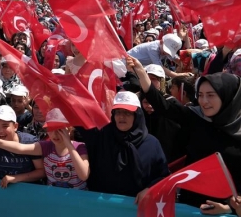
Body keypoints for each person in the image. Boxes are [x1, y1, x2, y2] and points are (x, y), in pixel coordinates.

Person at [130, 56, 241, 210]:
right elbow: (164, 106)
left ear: (228, 96)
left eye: (211, 95)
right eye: (200, 95)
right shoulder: (195, 117)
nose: (204, 101)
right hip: (190, 205)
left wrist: (229, 208)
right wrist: (141, 74)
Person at [76, 91, 169, 201]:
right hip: (101, 207)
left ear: (137, 115)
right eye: (118, 112)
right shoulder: (101, 136)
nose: (121, 117)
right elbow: (76, 113)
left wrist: (150, 189)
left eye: (127, 113)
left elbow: (164, 176)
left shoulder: (152, 144)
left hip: (135, 208)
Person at [0, 108, 89, 189]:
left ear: (69, 130)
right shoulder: (45, 146)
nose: (55, 134)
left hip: (76, 199)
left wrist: (69, 144)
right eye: (51, 129)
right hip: (52, 198)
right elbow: (20, 148)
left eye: (60, 129)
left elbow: (83, 175)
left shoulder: (80, 147)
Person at [0, 105, 45, 188]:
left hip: (32, 190)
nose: (0, 131)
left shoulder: (29, 141)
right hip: (4, 190)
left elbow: (41, 171)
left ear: (15, 126)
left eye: (5, 126)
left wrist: (17, 178)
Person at [140, 64, 185, 163]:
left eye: (153, 79)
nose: (150, 82)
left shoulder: (171, 103)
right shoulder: (136, 101)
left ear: (162, 82)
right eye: (147, 78)